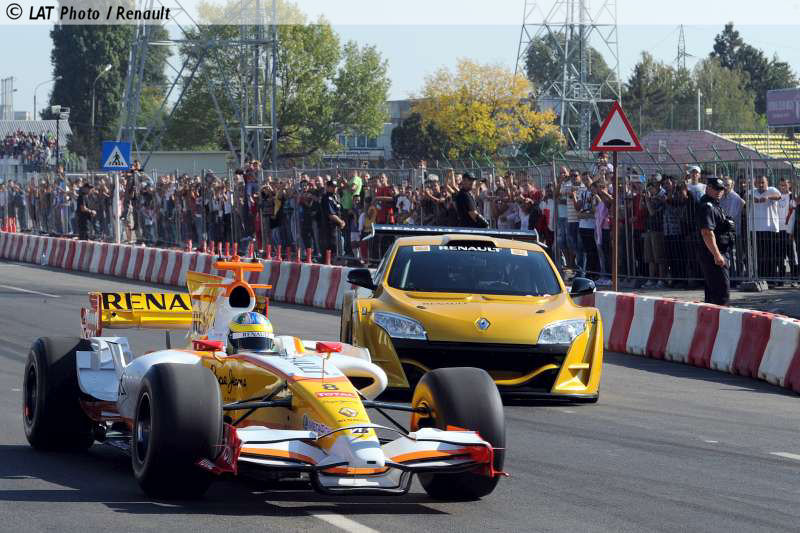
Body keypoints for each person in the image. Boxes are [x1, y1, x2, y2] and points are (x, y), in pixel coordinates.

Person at [697, 177, 735, 305]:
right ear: (708, 188)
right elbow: (707, 232)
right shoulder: (708, 206)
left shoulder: (714, 204)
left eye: (721, 189)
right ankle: (721, 316)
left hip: (716, 251)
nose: (719, 192)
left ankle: (711, 316)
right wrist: (717, 255)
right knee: (721, 293)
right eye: (716, 189)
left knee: (713, 292)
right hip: (713, 254)